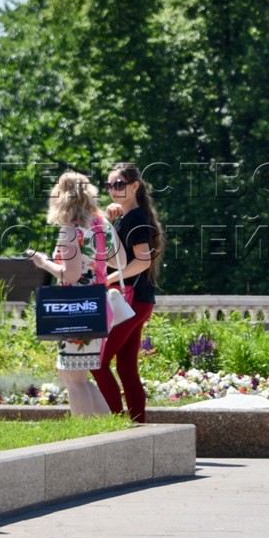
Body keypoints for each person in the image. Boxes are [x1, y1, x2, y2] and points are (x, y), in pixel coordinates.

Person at [26, 171, 116, 419]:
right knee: (74, 375)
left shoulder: (69, 231)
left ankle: (83, 434)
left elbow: (71, 275)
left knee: (74, 379)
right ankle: (109, 425)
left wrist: (43, 262)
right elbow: (113, 259)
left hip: (75, 310)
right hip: (97, 305)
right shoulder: (101, 225)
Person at [95, 163, 162, 423]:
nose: (114, 190)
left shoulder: (135, 218)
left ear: (135, 186)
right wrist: (107, 220)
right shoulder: (129, 216)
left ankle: (117, 422)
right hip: (137, 300)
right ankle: (137, 426)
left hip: (133, 300)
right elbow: (112, 257)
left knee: (98, 363)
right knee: (125, 368)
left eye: (119, 184)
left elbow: (142, 261)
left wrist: (109, 279)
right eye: (110, 185)